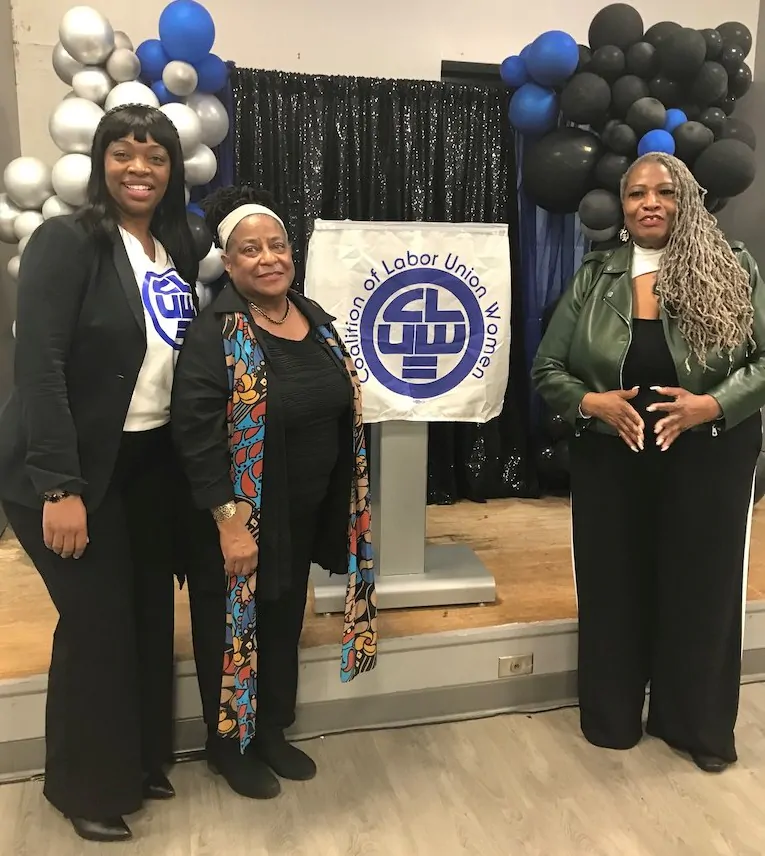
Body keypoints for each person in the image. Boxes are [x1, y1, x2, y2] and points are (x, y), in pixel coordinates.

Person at [0, 105, 198, 841]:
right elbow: (40, 366)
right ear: (100, 162)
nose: (139, 170)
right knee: (96, 624)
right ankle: (85, 787)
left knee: (146, 616)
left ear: (172, 170)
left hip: (146, 461)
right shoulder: (68, 240)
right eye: (124, 154)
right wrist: (61, 486)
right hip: (70, 466)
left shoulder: (171, 247)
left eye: (154, 157)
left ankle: (140, 759)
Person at [532, 153, 765, 774]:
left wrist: (713, 404)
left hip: (709, 455)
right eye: (637, 193)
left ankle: (693, 724)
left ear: (687, 197)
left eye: (664, 191)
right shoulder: (595, 274)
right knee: (613, 583)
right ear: (623, 205)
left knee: (702, 590)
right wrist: (593, 403)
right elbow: (547, 371)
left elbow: (763, 361)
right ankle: (612, 717)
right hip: (614, 457)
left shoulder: (734, 266)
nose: (650, 202)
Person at [171, 186, 378, 800]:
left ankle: (270, 731)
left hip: (300, 510)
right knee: (232, 627)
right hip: (238, 517)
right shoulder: (217, 330)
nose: (268, 258)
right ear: (229, 264)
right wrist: (229, 520)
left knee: (282, 621)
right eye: (249, 250)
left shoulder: (314, 321)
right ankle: (228, 745)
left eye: (278, 245)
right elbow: (195, 432)